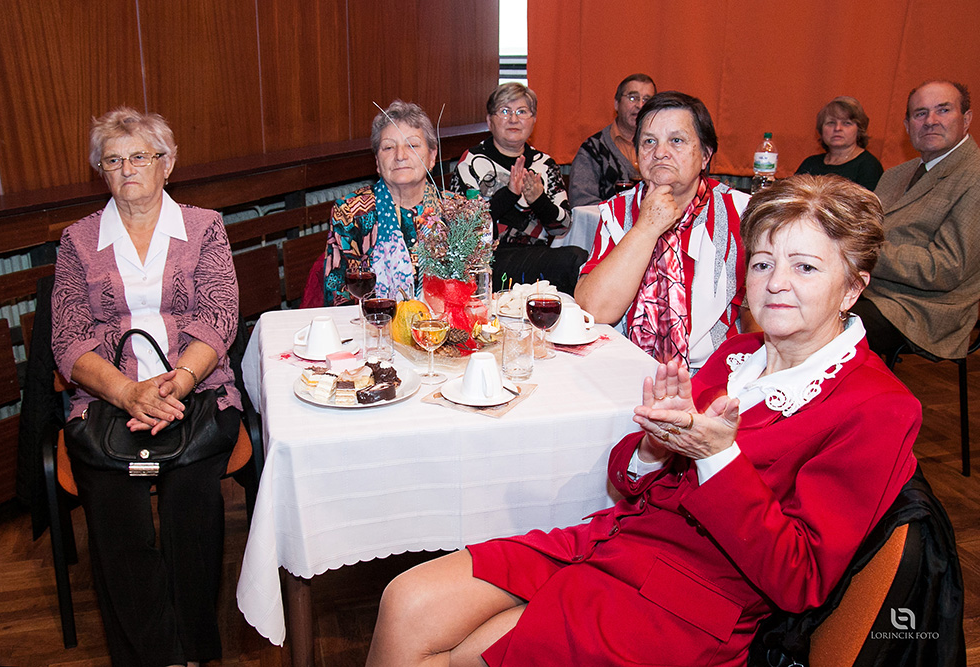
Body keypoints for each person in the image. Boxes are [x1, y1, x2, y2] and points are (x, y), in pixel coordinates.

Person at [364, 175, 920, 666]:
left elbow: (800, 579)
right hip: (615, 541)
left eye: (805, 266)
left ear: (853, 287)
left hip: (687, 601)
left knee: (467, 654)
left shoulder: (877, 406)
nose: (776, 282)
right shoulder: (738, 355)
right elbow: (631, 482)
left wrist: (716, 457)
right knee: (406, 599)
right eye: (762, 262)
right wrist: (655, 447)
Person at [52, 107, 241, 666]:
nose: (127, 169)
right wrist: (127, 392)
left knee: (191, 499)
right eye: (113, 161)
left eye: (140, 156)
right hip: (108, 402)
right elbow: (68, 337)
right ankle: (155, 655)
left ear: (168, 163)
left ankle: (194, 646)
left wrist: (178, 382)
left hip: (196, 393)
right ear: (101, 172)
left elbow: (219, 316)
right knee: (116, 507)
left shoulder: (204, 227)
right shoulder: (77, 241)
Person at [575, 91, 751, 372]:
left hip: (713, 373)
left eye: (676, 140)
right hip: (626, 368)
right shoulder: (618, 211)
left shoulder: (741, 213)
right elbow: (594, 309)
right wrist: (647, 226)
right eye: (649, 142)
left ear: (705, 155)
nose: (659, 152)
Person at [851, 80, 980, 360]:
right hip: (870, 288)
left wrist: (860, 252)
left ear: (966, 119)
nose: (930, 121)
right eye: (920, 113)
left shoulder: (975, 177)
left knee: (820, 329)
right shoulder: (896, 174)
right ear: (908, 126)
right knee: (792, 304)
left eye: (943, 110)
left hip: (923, 309)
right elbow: (865, 230)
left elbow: (945, 268)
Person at [449, 83, 587, 294]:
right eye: (505, 111)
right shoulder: (472, 161)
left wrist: (539, 201)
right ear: (489, 121)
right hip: (487, 264)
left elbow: (562, 227)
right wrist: (509, 194)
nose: (514, 119)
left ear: (533, 120)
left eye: (522, 112)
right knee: (574, 260)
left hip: (536, 256)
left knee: (580, 259)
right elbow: (461, 229)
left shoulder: (544, 164)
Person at [324, 100, 447, 305]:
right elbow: (339, 298)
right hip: (374, 321)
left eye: (412, 145)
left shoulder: (457, 211)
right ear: (377, 162)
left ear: (432, 156)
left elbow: (475, 291)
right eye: (388, 147)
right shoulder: (351, 212)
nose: (400, 156)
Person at [568, 73, 656, 206]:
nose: (640, 105)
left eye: (647, 100)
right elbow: (583, 204)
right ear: (616, 104)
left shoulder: (661, 149)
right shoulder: (593, 150)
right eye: (633, 98)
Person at [795, 96, 884, 190]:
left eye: (846, 123)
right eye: (831, 123)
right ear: (821, 130)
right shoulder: (810, 164)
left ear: (859, 130)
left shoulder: (868, 166)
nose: (837, 128)